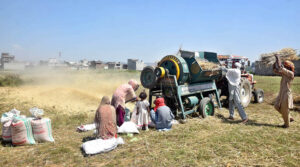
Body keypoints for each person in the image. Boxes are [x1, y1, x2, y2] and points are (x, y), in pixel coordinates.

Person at [273, 58, 295, 128]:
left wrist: (278, 58)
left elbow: (280, 67)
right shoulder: (285, 73)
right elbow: (276, 70)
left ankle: (286, 125)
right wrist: (275, 62)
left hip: (286, 94)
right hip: (281, 93)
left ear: (289, 67)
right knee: (276, 106)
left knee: (284, 109)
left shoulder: (291, 74)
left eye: (286, 66)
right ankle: (289, 117)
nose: (284, 67)